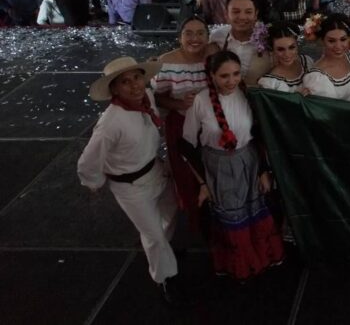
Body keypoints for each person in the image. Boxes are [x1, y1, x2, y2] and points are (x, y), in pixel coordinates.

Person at [77, 57, 188, 306]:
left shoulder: (146, 96)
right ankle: (165, 277)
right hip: (130, 186)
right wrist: (93, 183)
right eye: (125, 82)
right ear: (115, 90)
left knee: (169, 212)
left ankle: (163, 252)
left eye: (137, 78)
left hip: (155, 170)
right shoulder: (110, 124)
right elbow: (87, 162)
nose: (134, 85)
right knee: (153, 235)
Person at [181, 50, 284, 279]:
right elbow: (187, 144)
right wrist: (203, 183)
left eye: (236, 74)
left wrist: (264, 170)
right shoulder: (201, 101)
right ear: (212, 75)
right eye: (224, 76)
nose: (231, 81)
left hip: (248, 160)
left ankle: (262, 257)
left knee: (253, 209)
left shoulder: (246, 94)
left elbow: (258, 134)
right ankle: (238, 265)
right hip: (218, 166)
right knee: (231, 216)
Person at [153, 16, 210, 231]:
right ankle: (195, 219)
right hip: (180, 124)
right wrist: (179, 102)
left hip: (209, 125)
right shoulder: (166, 62)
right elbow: (157, 96)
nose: (194, 39)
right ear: (180, 37)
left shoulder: (213, 57)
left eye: (200, 33)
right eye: (188, 33)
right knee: (186, 173)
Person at [208, 0, 272, 86]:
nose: (242, 17)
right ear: (226, 14)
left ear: (256, 14)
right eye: (236, 12)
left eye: (248, 12)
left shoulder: (268, 37)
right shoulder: (217, 37)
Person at [303, 13, 350, 101]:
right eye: (331, 41)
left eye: (343, 39)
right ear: (322, 41)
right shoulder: (317, 77)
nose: (338, 46)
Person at [258, 23, 313, 93]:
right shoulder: (269, 83)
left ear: (297, 45)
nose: (287, 54)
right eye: (280, 49)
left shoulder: (307, 62)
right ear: (272, 50)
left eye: (291, 47)